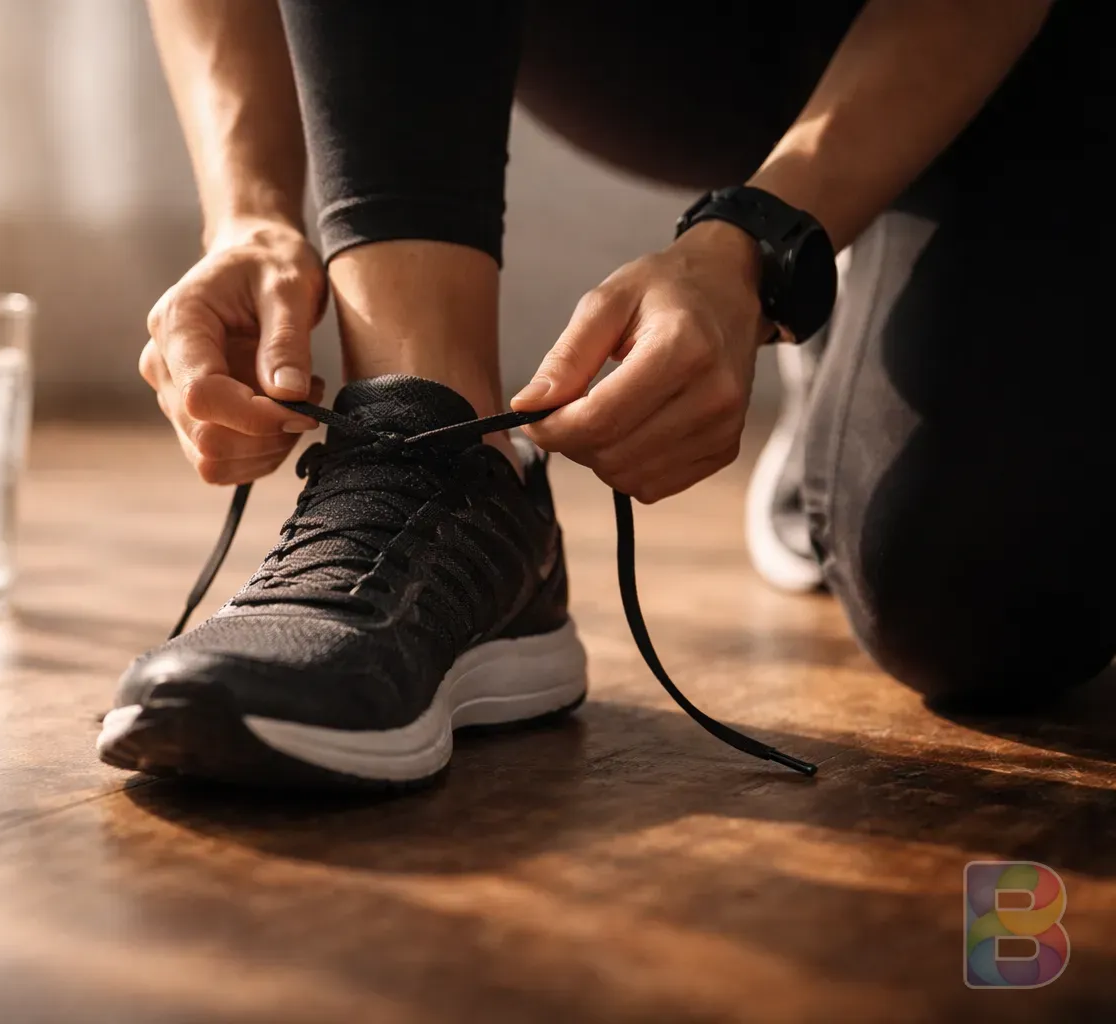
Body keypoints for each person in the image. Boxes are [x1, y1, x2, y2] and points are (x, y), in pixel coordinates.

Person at [96, 0, 1115, 788]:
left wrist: (765, 246)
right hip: (659, 42)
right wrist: (249, 214)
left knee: (981, 603)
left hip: (1019, 46)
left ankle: (836, 293)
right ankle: (441, 463)